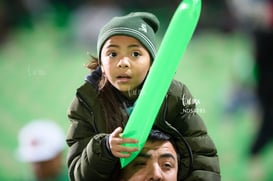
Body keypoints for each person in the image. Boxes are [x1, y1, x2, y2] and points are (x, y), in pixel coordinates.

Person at [66, 12, 220, 181]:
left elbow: (201, 156)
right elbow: (79, 174)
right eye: (112, 54)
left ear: (151, 63)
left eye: (135, 54)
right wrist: (104, 148)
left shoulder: (174, 95)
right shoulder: (87, 104)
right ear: (101, 65)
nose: (123, 62)